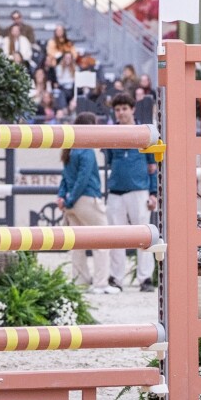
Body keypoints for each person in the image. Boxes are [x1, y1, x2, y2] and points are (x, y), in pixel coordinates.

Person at [57, 112, 115, 291]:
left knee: (78, 244)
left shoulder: (70, 149)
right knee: (103, 242)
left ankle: (80, 282)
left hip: (71, 203)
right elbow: (83, 179)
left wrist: (63, 197)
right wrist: (71, 199)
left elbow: (65, 177)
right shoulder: (87, 151)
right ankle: (100, 283)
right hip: (87, 199)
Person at [105, 99, 158, 291]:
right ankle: (116, 278)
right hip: (116, 192)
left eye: (124, 108)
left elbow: (153, 167)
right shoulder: (110, 134)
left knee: (144, 236)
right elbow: (110, 161)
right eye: (117, 109)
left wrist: (154, 193)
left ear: (132, 109)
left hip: (139, 190)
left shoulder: (144, 133)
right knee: (115, 237)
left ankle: (145, 279)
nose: (121, 112)